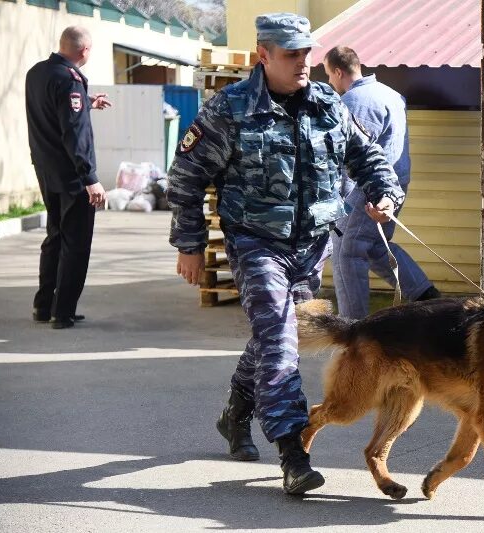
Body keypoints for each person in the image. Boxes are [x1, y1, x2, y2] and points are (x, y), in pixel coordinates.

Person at [167, 13, 404, 495]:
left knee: (272, 334)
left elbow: (369, 158)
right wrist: (190, 245)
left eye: (307, 53)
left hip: (312, 246)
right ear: (263, 55)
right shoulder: (230, 109)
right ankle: (294, 453)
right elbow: (186, 178)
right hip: (256, 242)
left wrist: (384, 194)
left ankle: (236, 412)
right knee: (279, 338)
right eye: (291, 54)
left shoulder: (326, 105)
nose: (302, 63)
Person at [323, 46, 440, 319]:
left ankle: (353, 329)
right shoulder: (391, 94)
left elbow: (352, 155)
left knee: (347, 254)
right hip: (396, 185)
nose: (330, 82)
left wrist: (337, 199)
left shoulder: (355, 101)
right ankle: (425, 295)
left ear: (339, 72)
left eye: (329, 75)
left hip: (369, 190)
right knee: (376, 247)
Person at [25, 26, 110, 330]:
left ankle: (43, 305)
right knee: (76, 243)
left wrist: (88, 103)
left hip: (46, 171)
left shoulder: (37, 73)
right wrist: (90, 177)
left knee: (55, 237)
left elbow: (55, 110)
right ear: (84, 50)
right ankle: (63, 313)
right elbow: (73, 132)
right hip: (72, 176)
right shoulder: (70, 79)